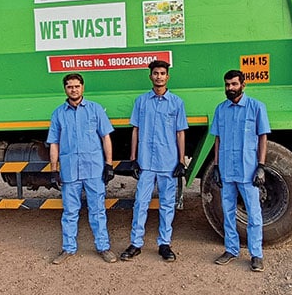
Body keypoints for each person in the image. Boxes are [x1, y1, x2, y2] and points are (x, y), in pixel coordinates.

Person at [120, 60, 188, 263]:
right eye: (155, 73)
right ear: (150, 76)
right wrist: (133, 159)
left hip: (168, 162)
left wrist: (181, 161)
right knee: (140, 203)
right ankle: (135, 244)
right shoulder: (141, 101)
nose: (159, 76)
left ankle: (164, 244)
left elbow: (180, 133)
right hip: (146, 163)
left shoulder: (177, 103)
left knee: (167, 204)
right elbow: (136, 130)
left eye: (162, 73)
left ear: (168, 77)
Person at [47, 73, 118, 265]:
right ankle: (68, 249)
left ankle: (103, 247)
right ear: (65, 89)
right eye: (70, 86)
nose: (74, 89)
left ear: (83, 87)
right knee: (70, 212)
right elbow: (54, 143)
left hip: (94, 170)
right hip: (70, 171)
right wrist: (54, 170)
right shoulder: (58, 114)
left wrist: (109, 164)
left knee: (98, 210)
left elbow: (106, 137)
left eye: (77, 86)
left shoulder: (95, 110)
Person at [208, 69, 271, 272]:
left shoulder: (256, 107)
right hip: (227, 170)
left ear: (243, 85)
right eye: (227, 85)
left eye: (234, 84)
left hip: (248, 171)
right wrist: (216, 166)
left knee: (254, 214)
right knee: (227, 213)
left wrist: (261, 166)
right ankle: (231, 250)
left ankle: (256, 255)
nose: (230, 88)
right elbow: (217, 139)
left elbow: (263, 138)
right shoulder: (221, 109)